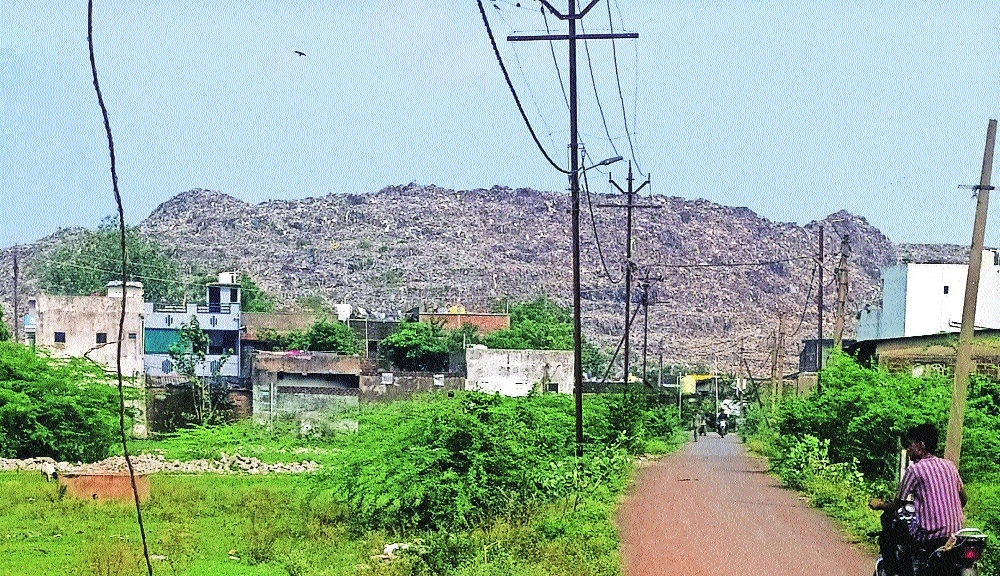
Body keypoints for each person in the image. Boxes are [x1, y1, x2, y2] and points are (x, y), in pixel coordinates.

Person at [869, 423, 967, 576]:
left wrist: (879, 505)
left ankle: (898, 571)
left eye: (910, 445)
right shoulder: (950, 466)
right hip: (956, 535)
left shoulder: (914, 470)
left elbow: (897, 504)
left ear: (921, 445)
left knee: (890, 535)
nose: (908, 450)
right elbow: (964, 498)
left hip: (930, 537)